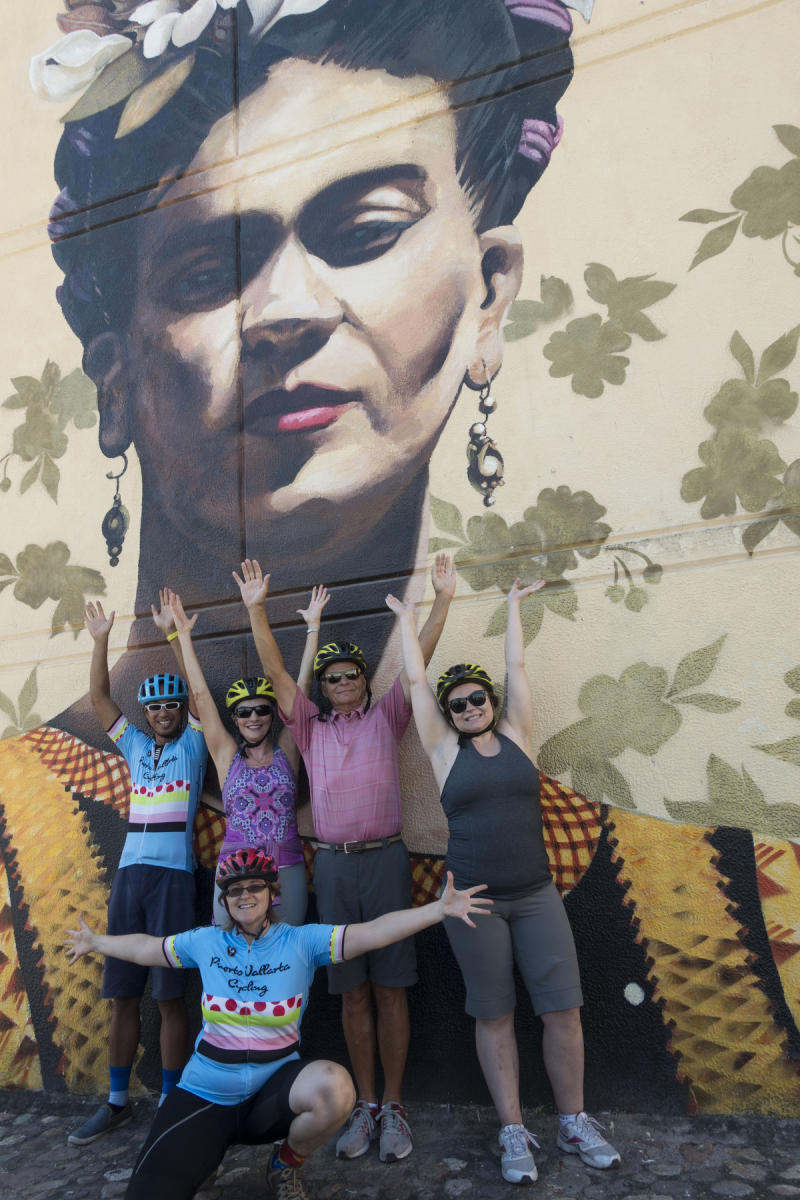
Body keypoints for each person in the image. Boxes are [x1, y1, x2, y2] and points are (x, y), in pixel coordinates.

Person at [64, 847, 492, 1200]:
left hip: (272, 1098)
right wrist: (95, 941)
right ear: (225, 900)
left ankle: (285, 1164)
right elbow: (148, 948)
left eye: (255, 887)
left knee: (335, 1086)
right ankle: (203, 1154)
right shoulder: (206, 941)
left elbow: (372, 932)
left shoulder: (301, 941)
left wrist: (437, 911)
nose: (245, 896)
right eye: (234, 890)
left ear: (271, 894)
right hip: (204, 1093)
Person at [385, 578, 621, 1183]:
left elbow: (517, 665)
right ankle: (513, 1130)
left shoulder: (517, 734)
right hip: (473, 902)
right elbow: (415, 685)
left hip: (539, 893)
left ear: (491, 700)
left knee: (563, 1010)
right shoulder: (442, 750)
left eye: (475, 698)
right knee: (493, 1015)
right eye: (457, 703)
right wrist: (408, 622)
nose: (468, 708)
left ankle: (573, 1121)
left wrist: (513, 607)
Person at [233, 552, 455, 1162]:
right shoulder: (308, 728)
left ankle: (395, 1106)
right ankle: (362, 1106)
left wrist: (440, 603)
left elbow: (418, 664)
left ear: (363, 680)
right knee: (352, 994)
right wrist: (256, 611)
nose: (342, 682)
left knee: (391, 990)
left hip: (386, 861)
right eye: (331, 678)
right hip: (330, 866)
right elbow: (278, 675)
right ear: (322, 690)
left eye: (350, 674)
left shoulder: (389, 716)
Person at [68, 600, 208, 1146]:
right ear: (147, 716)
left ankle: (171, 1104)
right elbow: (101, 699)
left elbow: (201, 698)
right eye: (157, 709)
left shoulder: (195, 744)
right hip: (130, 877)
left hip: (175, 877)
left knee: (170, 996)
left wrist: (177, 638)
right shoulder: (133, 745)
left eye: (172, 706)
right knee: (123, 993)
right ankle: (117, 1101)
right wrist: (100, 637)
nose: (166, 713)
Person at [166, 584, 330, 926]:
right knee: (227, 952)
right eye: (244, 712)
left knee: (289, 952)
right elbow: (200, 694)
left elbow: (303, 687)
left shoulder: (288, 750)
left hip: (286, 865)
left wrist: (313, 628)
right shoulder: (226, 755)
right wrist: (182, 636)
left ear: (272, 715)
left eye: (261, 710)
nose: (253, 717)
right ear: (235, 720)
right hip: (234, 869)